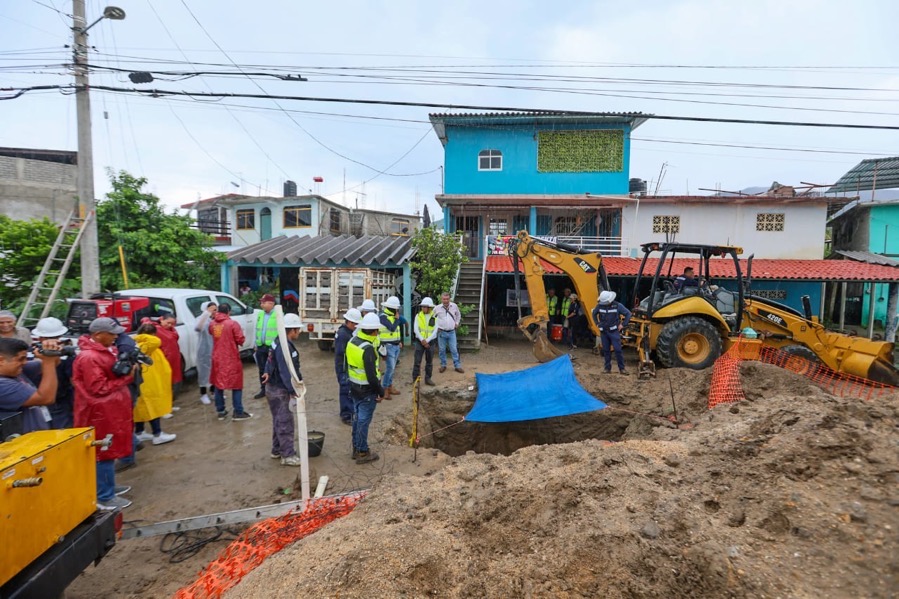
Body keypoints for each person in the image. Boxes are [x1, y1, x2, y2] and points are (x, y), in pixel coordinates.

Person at [72, 317, 135, 511]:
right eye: (112, 333)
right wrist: (126, 379)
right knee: (103, 451)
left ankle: (108, 487)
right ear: (98, 335)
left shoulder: (103, 351)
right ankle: (104, 496)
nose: (116, 336)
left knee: (110, 448)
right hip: (98, 411)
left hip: (109, 408)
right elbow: (98, 387)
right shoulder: (90, 357)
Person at [262, 313, 304, 467]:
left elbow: (270, 360)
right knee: (285, 422)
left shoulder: (277, 341)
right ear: (292, 330)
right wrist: (293, 390)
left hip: (273, 387)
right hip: (280, 390)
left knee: (278, 420)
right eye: (298, 330)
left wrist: (267, 370)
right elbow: (285, 371)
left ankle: (277, 449)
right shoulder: (284, 347)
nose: (299, 332)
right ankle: (287, 455)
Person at [346, 313, 386, 464]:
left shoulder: (353, 341)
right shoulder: (367, 348)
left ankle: (356, 448)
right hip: (367, 390)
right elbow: (371, 376)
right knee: (363, 420)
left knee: (357, 418)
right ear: (374, 330)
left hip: (354, 386)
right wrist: (380, 391)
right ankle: (362, 451)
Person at [0, 337, 59, 434]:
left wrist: (50, 350)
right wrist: (49, 361)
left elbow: (54, 363)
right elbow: (47, 398)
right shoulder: (2, 385)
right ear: (1, 360)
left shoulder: (15, 371)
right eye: (21, 359)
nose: (25, 362)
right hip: (22, 444)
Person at [133, 323, 177, 446]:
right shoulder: (145, 345)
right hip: (148, 382)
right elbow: (155, 341)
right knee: (153, 407)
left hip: (149, 381)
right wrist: (138, 337)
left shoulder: (142, 346)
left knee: (142, 408)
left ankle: (140, 432)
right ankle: (157, 434)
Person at [209, 303, 252, 421]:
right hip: (230, 357)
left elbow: (211, 333)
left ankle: (221, 410)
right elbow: (240, 339)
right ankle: (238, 411)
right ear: (229, 311)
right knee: (236, 384)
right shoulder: (232, 324)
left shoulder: (212, 324)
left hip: (217, 357)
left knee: (218, 384)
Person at [30, 317, 75, 429]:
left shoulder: (65, 355)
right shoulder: (32, 354)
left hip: (60, 400)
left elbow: (73, 380)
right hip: (38, 400)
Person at [593, 291, 632, 375]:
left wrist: (623, 325)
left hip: (614, 332)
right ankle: (607, 368)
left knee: (618, 350)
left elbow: (628, 314)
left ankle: (622, 369)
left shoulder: (617, 306)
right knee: (606, 350)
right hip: (604, 331)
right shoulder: (599, 306)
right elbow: (594, 313)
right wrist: (597, 323)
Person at [334, 308, 361, 425]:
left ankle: (349, 412)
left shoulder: (346, 333)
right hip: (343, 367)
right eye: (355, 324)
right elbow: (342, 353)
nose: (356, 326)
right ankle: (346, 415)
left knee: (349, 390)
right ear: (349, 322)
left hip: (344, 366)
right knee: (346, 390)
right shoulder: (343, 335)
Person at [378, 295, 406, 397]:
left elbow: (397, 332)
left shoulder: (394, 317)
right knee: (390, 368)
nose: (397, 310)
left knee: (392, 368)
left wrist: (399, 341)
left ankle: (389, 386)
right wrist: (397, 319)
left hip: (395, 345)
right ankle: (385, 388)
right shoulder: (383, 317)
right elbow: (392, 328)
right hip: (388, 346)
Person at [254, 294, 278, 399]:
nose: (261, 304)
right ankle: (263, 389)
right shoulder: (260, 314)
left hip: (272, 347)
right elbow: (257, 329)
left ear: (271, 304)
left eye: (264, 302)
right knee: (262, 369)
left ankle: (274, 389)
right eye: (261, 302)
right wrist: (255, 344)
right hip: (261, 346)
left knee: (273, 369)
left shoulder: (278, 315)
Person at [434, 292, 464, 374]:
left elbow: (458, 315)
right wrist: (436, 328)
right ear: (441, 299)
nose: (446, 300)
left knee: (454, 349)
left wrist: (457, 323)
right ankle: (443, 365)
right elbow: (432, 319)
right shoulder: (437, 308)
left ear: (449, 299)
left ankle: (457, 366)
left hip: (451, 332)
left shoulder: (454, 306)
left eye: (447, 299)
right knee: (442, 350)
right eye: (444, 299)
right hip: (441, 332)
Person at [155, 313, 183, 401]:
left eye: (172, 323)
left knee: (173, 383)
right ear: (161, 319)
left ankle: (169, 403)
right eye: (168, 323)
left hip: (174, 360)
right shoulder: (155, 329)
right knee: (164, 384)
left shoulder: (172, 331)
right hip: (163, 362)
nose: (170, 325)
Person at [412, 297, 437, 386]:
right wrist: (422, 340)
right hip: (420, 341)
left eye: (425, 307)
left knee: (429, 361)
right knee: (417, 361)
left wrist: (427, 341)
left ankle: (428, 378)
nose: (423, 308)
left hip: (431, 342)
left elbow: (435, 330)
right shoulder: (418, 316)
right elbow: (416, 329)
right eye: (422, 307)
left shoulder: (435, 316)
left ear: (430, 307)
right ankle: (415, 379)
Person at [195, 301, 216, 405]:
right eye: (212, 309)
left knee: (214, 371)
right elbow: (198, 328)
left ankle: (213, 392)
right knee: (203, 373)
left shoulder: (215, 320)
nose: (214, 312)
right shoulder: (201, 319)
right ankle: (203, 394)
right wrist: (206, 314)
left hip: (214, 350)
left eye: (215, 309)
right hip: (203, 350)